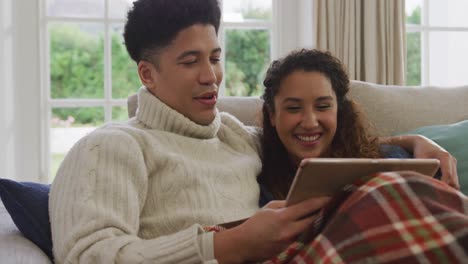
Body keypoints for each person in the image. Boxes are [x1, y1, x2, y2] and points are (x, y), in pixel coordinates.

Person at [49, 0, 460, 263]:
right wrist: (228, 246)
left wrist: (410, 143)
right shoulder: (111, 146)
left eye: (214, 57)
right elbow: (88, 256)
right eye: (191, 61)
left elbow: (311, 141)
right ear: (147, 74)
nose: (211, 77)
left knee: (393, 186)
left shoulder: (232, 135)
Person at [257, 49, 468, 262]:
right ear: (272, 114)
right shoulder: (259, 183)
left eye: (323, 106)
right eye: (293, 108)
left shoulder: (389, 158)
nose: (310, 122)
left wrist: (416, 141)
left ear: (339, 110)